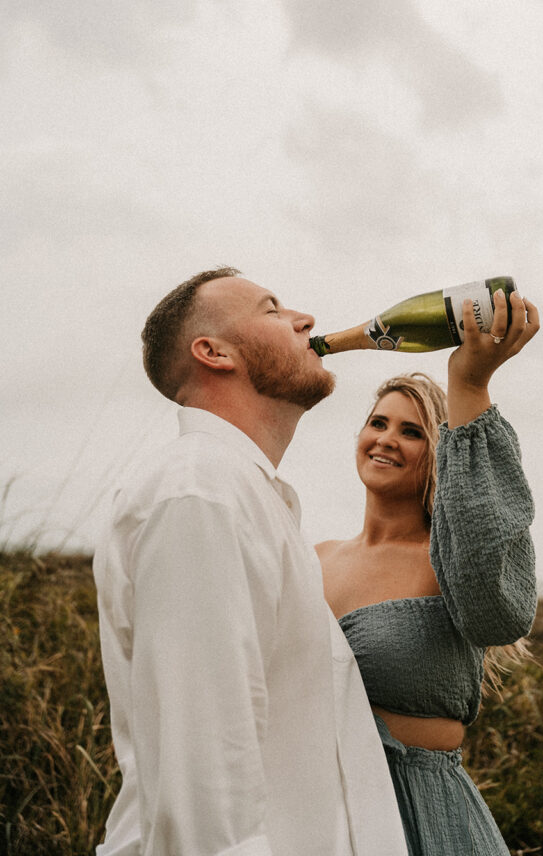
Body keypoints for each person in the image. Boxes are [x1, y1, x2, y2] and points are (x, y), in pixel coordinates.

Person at [93, 267, 409, 856]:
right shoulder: (200, 491)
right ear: (213, 352)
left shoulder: (246, 494)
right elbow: (204, 763)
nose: (305, 321)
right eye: (271, 310)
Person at [316, 289, 540, 856]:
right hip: (314, 812)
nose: (386, 439)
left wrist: (469, 387)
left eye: (412, 431)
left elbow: (498, 608)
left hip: (418, 818)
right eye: (378, 423)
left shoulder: (454, 564)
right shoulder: (312, 559)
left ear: (444, 452)